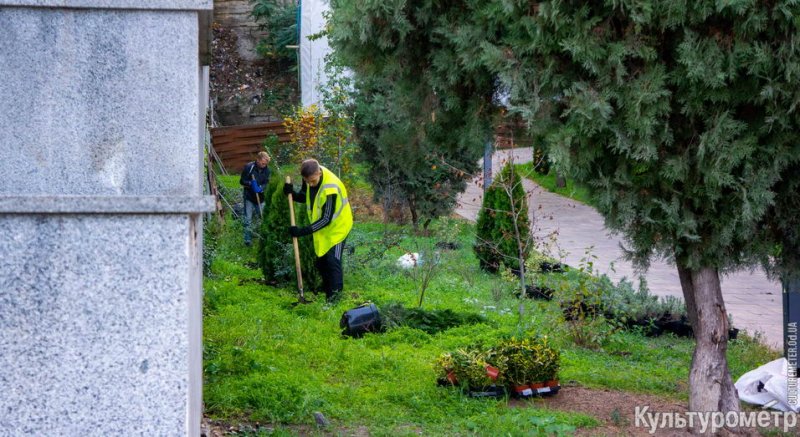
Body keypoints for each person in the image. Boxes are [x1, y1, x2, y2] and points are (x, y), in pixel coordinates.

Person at [284, 159, 353, 303]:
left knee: (333, 261)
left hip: (338, 227)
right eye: (307, 181)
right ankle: (328, 292)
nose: (310, 184)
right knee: (321, 262)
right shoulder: (309, 176)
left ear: (319, 173)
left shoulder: (330, 188)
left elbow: (326, 218)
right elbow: (305, 197)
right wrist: (292, 194)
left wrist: (301, 231)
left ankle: (334, 300)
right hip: (324, 229)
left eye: (313, 181)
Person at [239, 151, 271, 246]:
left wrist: (261, 187)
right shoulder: (249, 167)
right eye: (262, 163)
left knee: (263, 217)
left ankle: (264, 238)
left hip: (260, 198)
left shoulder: (267, 170)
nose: (264, 165)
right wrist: (250, 184)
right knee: (247, 219)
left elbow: (267, 182)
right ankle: (247, 240)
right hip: (249, 197)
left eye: (266, 163)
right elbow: (242, 181)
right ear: (257, 160)